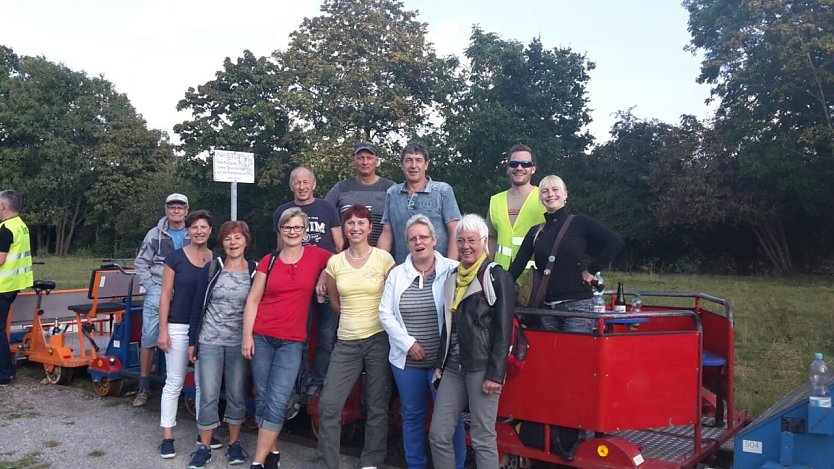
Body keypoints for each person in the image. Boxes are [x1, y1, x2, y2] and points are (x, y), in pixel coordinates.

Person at [243, 207, 331, 469]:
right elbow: (253, 299)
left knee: (279, 399)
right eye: (287, 227)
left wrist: (325, 274)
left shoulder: (317, 256)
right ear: (280, 230)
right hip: (261, 336)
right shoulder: (268, 260)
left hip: (292, 341)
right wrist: (246, 336)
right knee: (263, 397)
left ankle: (257, 462)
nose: (292, 232)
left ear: (305, 231)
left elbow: (340, 260)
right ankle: (273, 452)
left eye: (297, 227)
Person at [378, 214, 466, 469]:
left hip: (444, 362)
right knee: (413, 416)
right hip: (407, 362)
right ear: (407, 243)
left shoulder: (452, 269)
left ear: (434, 239)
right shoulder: (397, 274)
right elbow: (385, 313)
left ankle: (455, 466)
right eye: (413, 238)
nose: (419, 242)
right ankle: (415, 465)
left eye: (423, 237)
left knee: (451, 419)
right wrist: (408, 344)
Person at [429, 214, 514, 469]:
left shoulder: (497, 276)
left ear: (484, 241)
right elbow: (448, 323)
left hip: (481, 367)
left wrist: (495, 375)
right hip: (453, 367)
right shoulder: (453, 276)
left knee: (482, 438)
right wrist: (439, 364)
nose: (466, 246)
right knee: (438, 435)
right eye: (461, 240)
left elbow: (503, 329)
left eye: (472, 240)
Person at [316, 204, 396, 469]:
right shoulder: (335, 262)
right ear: (345, 229)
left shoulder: (383, 259)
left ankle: (371, 461)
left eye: (361, 223)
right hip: (347, 342)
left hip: (378, 340)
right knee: (328, 406)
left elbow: (394, 298)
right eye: (350, 223)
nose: (356, 228)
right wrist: (353, 317)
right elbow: (335, 302)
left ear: (370, 228)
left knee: (376, 405)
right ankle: (328, 463)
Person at [508, 175, 624, 333]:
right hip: (547, 308)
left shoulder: (580, 222)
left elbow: (614, 242)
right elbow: (517, 266)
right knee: (551, 356)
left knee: (574, 355)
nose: (550, 194)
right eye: (545, 191)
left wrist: (591, 270)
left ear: (565, 194)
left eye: (555, 189)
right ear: (540, 198)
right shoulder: (536, 232)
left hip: (578, 306)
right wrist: (494, 285)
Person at [186, 221, 257, 468]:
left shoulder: (255, 271)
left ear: (246, 241)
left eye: (238, 238)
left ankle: (234, 444)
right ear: (222, 242)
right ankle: (203, 447)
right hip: (210, 340)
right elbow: (197, 306)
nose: (233, 242)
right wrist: (192, 341)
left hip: (239, 343)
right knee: (208, 394)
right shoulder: (212, 269)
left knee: (237, 394)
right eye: (228, 238)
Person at [273, 166, 342, 405]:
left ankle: (319, 380)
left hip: (326, 278)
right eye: (297, 183)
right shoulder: (282, 211)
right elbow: (280, 250)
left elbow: (339, 245)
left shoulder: (326, 208)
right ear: (291, 186)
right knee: (298, 335)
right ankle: (299, 383)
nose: (302, 187)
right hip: (296, 284)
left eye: (306, 182)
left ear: (313, 184)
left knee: (325, 334)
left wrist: (328, 272)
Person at [157, 210, 218, 460]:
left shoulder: (216, 259)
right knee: (174, 382)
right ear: (188, 231)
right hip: (179, 326)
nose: (199, 231)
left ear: (210, 231)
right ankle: (167, 436)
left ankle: (202, 433)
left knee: (205, 384)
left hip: (206, 329)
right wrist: (163, 329)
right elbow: (165, 294)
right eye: (194, 227)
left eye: (204, 227)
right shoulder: (175, 258)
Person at [133, 193, 191, 408]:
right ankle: (144, 386)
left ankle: (183, 384)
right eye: (172, 207)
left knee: (187, 334)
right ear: (166, 210)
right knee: (149, 335)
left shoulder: (193, 233)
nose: (176, 211)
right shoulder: (154, 234)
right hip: (158, 287)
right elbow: (141, 262)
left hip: (184, 290)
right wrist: (150, 286)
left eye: (180, 208)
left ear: (186, 211)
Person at [377, 142, 462, 264]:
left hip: (438, 273)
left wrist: (450, 268)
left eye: (418, 160)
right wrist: (379, 267)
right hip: (404, 273)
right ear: (401, 165)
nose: (413, 165)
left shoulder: (443, 191)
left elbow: (456, 231)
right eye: (408, 160)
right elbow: (386, 235)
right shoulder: (392, 193)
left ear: (426, 164)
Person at [325, 141, 395, 247]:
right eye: (361, 158)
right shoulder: (341, 188)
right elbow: (324, 213)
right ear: (354, 161)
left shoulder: (390, 188)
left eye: (369, 158)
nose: (365, 162)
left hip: (381, 254)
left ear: (376, 161)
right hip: (347, 255)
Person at [487, 144, 545, 270]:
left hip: (534, 278)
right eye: (514, 164)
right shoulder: (495, 201)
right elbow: (491, 239)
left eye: (525, 164)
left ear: (533, 169)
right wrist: (487, 270)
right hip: (501, 277)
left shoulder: (545, 198)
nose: (519, 168)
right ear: (508, 168)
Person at [0, 190, 33, 386]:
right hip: (14, 284)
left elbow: (1, 259)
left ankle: (4, 374)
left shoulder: (5, 229)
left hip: (3, 285)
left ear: (3, 207)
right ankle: (8, 370)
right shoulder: (21, 226)